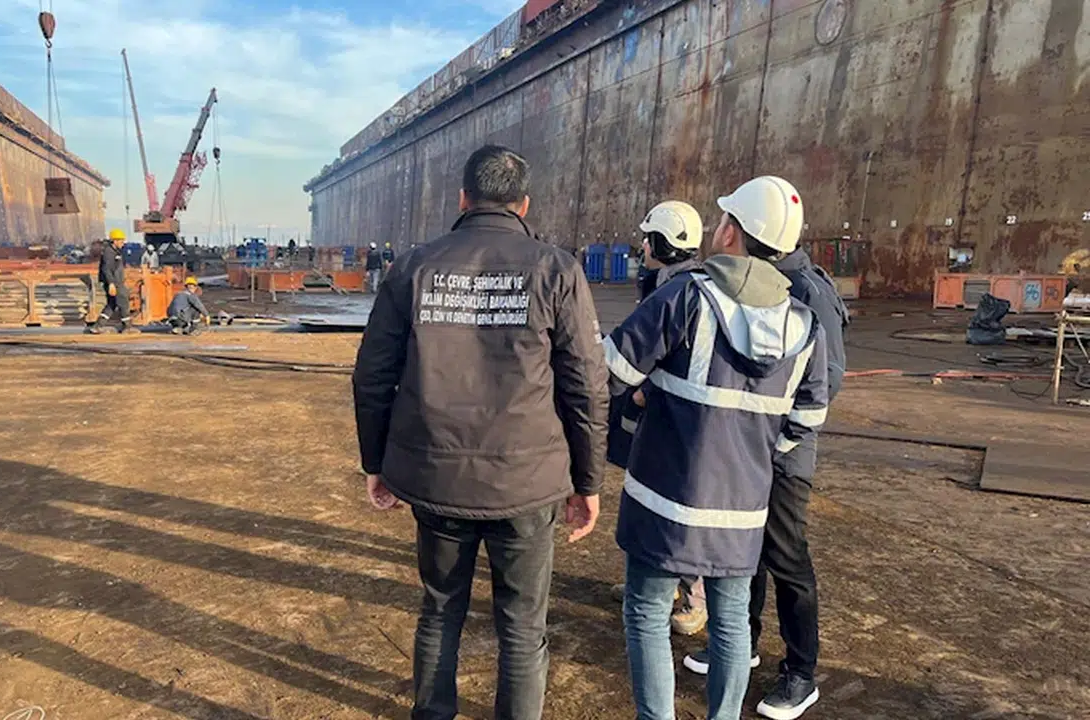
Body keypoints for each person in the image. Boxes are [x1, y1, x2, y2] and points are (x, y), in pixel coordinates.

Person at [353, 144, 608, 720]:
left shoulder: (413, 268)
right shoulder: (556, 270)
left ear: (463, 198)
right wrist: (587, 481)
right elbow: (587, 386)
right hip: (527, 481)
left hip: (437, 475)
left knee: (440, 611)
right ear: (524, 204)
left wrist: (377, 463)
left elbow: (373, 375)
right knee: (522, 627)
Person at [602, 176, 829, 720]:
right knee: (730, 619)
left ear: (732, 233)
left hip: (664, 501)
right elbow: (808, 417)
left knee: (647, 611)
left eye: (724, 219)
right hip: (743, 507)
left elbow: (613, 369)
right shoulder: (805, 325)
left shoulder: (686, 297)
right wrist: (757, 457)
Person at [684, 218, 849, 720]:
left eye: (727, 223)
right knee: (744, 550)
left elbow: (827, 379)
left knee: (786, 556)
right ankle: (743, 642)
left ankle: (801, 672)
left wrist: (773, 433)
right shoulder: (750, 282)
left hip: (782, 456)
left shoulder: (806, 290)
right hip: (745, 450)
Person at [607, 201, 709, 636]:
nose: (643, 247)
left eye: (648, 240)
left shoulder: (685, 292)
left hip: (675, 419)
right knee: (651, 504)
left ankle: (694, 596)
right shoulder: (665, 284)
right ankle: (657, 587)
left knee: (680, 511)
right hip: (658, 418)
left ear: (662, 244)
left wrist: (640, 389)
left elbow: (683, 358)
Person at [88, 229, 137, 335]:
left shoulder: (116, 251)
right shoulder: (109, 252)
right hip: (114, 283)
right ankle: (127, 327)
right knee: (123, 302)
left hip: (116, 282)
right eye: (121, 241)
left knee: (112, 304)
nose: (123, 243)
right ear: (115, 241)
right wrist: (111, 283)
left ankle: (97, 326)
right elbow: (106, 269)